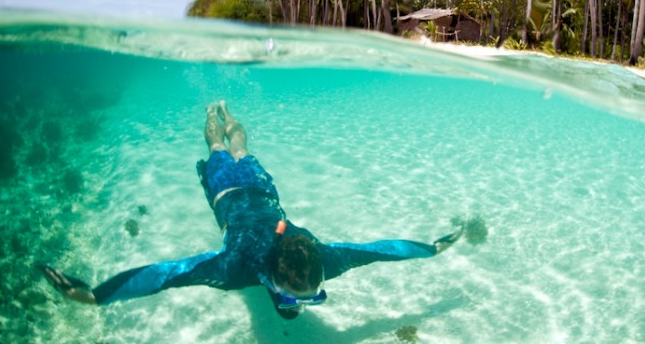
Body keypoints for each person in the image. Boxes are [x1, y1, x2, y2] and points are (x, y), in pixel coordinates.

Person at [42, 101, 462, 320]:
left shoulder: (324, 261)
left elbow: (379, 251)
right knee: (218, 144)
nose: (298, 303)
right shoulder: (237, 266)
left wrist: (431, 249)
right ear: (270, 276)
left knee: (238, 142)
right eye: (292, 296)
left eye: (312, 298)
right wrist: (96, 296)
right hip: (228, 188)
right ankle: (213, 114)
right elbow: (167, 276)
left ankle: (226, 111)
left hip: (259, 188)